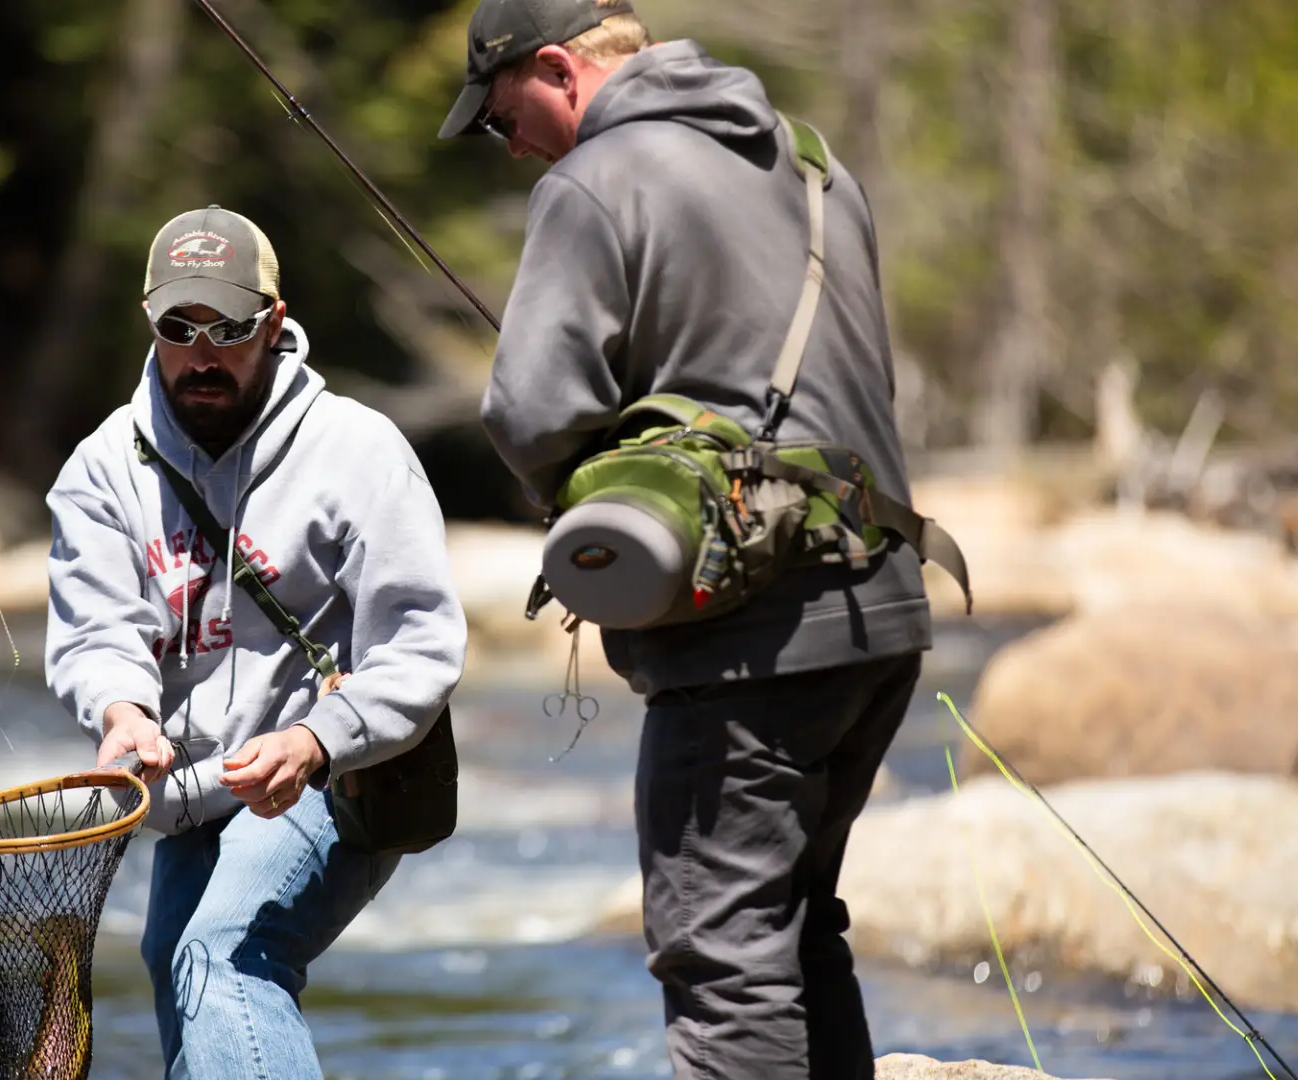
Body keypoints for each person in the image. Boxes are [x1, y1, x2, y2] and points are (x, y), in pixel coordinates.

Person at [438, 2, 931, 1078]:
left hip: (747, 642)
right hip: (883, 613)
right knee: (796, 930)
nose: (508, 143)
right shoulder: (814, 165)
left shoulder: (592, 181)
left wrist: (603, 506)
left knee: (722, 965)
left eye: (500, 114)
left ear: (561, 70)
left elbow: (528, 416)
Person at [41, 204, 468, 1079]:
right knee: (176, 965)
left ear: (274, 324)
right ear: (149, 322)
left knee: (224, 958)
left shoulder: (357, 450)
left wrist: (316, 739)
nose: (203, 353)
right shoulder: (101, 469)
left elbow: (421, 645)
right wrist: (122, 712)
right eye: (179, 327)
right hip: (189, 789)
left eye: (229, 328)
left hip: (333, 773)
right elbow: (96, 632)